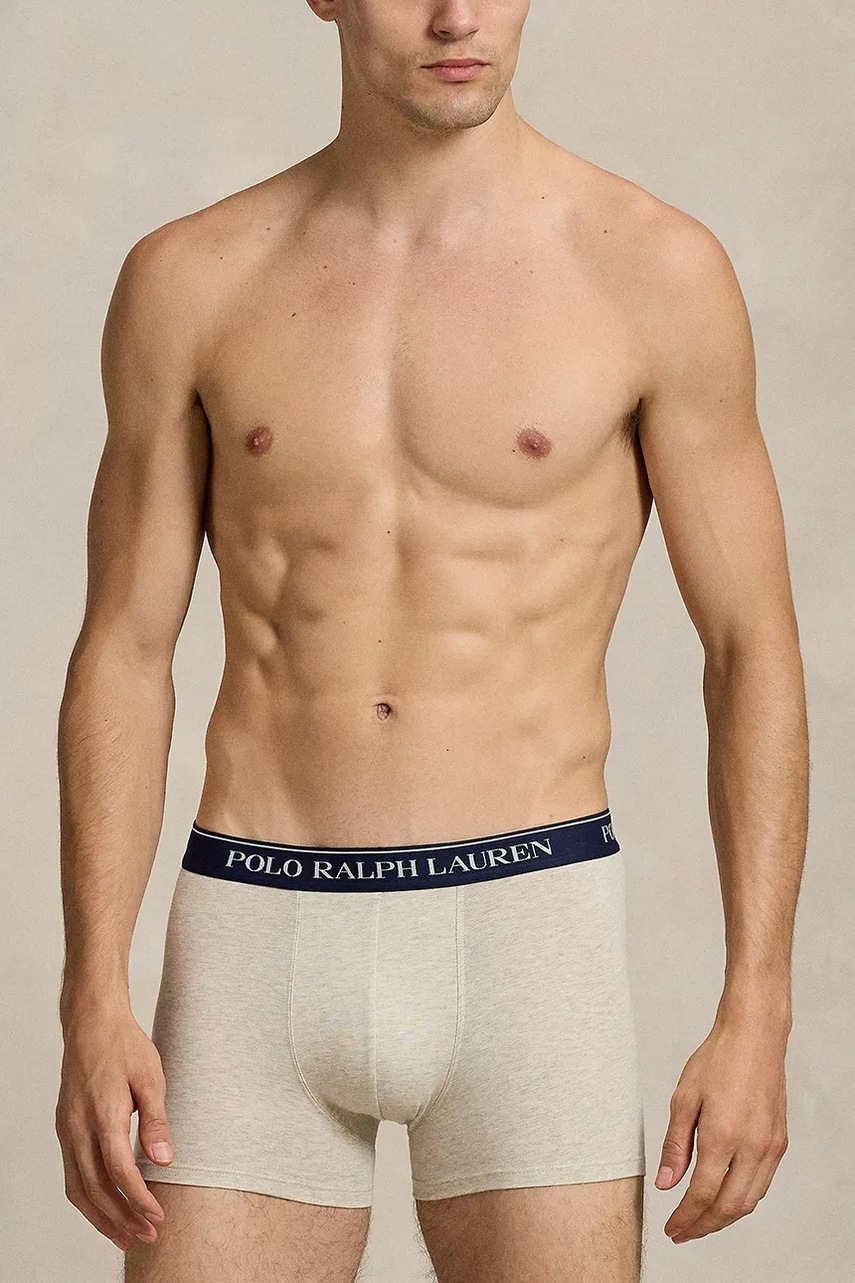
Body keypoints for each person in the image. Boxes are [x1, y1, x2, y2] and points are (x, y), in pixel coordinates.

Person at [54, 1, 808, 1280]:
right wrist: (91, 990)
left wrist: (759, 1003)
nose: (458, 14)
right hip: (254, 933)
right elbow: (125, 644)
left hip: (532, 929)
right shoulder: (192, 277)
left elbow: (752, 649)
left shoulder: (654, 271)